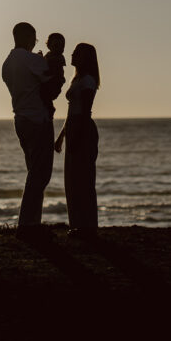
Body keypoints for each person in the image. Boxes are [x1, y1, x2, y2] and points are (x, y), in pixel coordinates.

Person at [2, 21, 55, 229]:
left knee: (33, 171)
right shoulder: (31, 60)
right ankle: (27, 224)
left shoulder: (7, 63)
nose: (35, 42)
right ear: (28, 37)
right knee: (40, 174)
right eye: (34, 38)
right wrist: (44, 60)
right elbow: (50, 82)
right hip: (37, 119)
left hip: (21, 119)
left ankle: (33, 222)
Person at [55, 42, 100, 233]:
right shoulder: (76, 80)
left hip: (83, 128)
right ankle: (77, 224)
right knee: (72, 180)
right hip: (74, 126)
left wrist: (77, 135)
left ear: (86, 58)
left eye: (77, 53)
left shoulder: (88, 80)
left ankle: (87, 225)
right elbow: (71, 111)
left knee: (83, 179)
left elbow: (84, 111)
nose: (72, 55)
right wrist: (62, 135)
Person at [42, 32, 66, 120]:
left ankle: (49, 109)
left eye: (62, 46)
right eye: (56, 45)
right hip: (50, 82)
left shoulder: (58, 58)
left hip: (54, 82)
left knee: (47, 97)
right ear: (49, 46)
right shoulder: (49, 56)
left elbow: (48, 70)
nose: (59, 48)